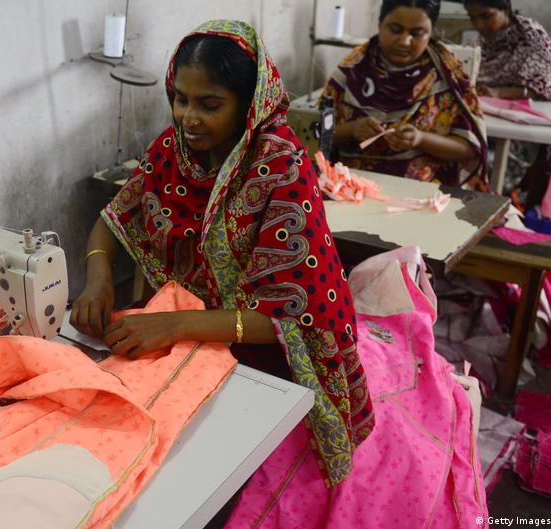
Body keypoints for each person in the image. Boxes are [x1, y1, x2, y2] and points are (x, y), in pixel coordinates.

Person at [70, 19, 374, 490]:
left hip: (273, 359)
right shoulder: (174, 151)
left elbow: (293, 319)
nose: (189, 117)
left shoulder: (281, 169)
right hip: (190, 336)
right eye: (181, 99)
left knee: (198, 475)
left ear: (248, 104)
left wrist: (173, 324)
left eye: (210, 105)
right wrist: (98, 276)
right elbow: (112, 220)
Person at [321, 0, 488, 189]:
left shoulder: (447, 77)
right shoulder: (352, 70)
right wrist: (352, 130)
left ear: (431, 33)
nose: (404, 41)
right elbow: (312, 134)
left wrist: (421, 140)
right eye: (395, 29)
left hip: (418, 191)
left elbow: (470, 149)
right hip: (351, 185)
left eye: (417, 33)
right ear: (379, 25)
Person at [465, 0, 551, 102]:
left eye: (486, 16)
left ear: (506, 10)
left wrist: (498, 92)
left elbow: (544, 89)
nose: (478, 25)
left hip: (535, 107)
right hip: (492, 103)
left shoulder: (528, 35)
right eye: (472, 18)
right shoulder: (486, 37)